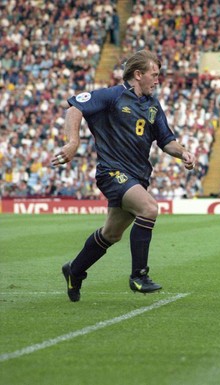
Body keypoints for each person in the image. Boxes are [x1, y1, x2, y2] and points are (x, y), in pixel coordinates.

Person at [52, 50, 195, 302]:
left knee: (111, 234)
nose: (158, 80)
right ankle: (139, 276)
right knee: (149, 208)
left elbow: (166, 141)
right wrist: (73, 142)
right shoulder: (112, 96)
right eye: (154, 74)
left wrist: (182, 153)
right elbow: (74, 107)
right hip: (112, 172)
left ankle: (74, 271)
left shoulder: (152, 105)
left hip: (137, 176)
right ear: (138, 75)